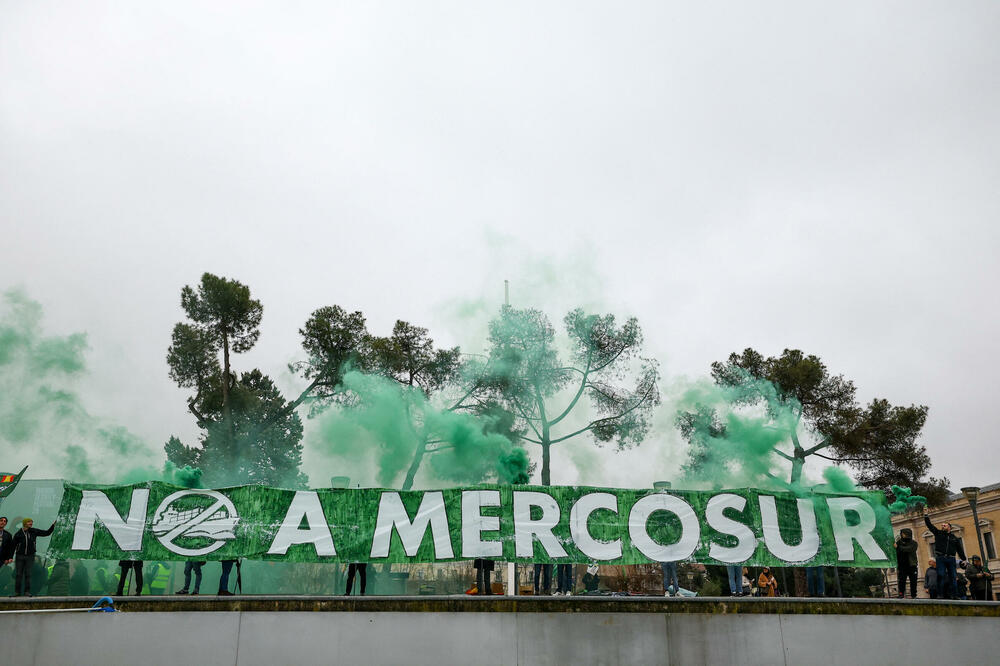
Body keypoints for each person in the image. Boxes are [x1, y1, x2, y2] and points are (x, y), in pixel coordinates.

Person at [923, 507, 966, 599]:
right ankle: (940, 594)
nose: (942, 526)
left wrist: (964, 559)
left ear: (949, 527)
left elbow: (960, 549)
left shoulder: (954, 538)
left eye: (944, 525)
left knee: (953, 577)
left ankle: (955, 595)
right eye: (942, 525)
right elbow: (929, 525)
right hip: (941, 558)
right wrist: (926, 515)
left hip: (951, 558)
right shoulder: (938, 533)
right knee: (941, 575)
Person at [12, 517, 55, 596]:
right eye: (29, 522)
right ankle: (18, 592)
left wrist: (53, 526)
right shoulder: (18, 534)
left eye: (31, 522)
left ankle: (25, 592)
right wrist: (10, 557)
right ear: (24, 523)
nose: (31, 523)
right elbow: (13, 546)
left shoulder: (34, 531)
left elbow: (46, 533)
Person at [895, 528, 919, 599]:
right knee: (901, 581)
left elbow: (909, 549)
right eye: (902, 533)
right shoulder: (898, 543)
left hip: (912, 565)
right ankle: (901, 594)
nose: (902, 535)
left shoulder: (914, 543)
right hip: (902, 565)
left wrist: (898, 547)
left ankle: (914, 595)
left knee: (913, 581)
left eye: (904, 533)